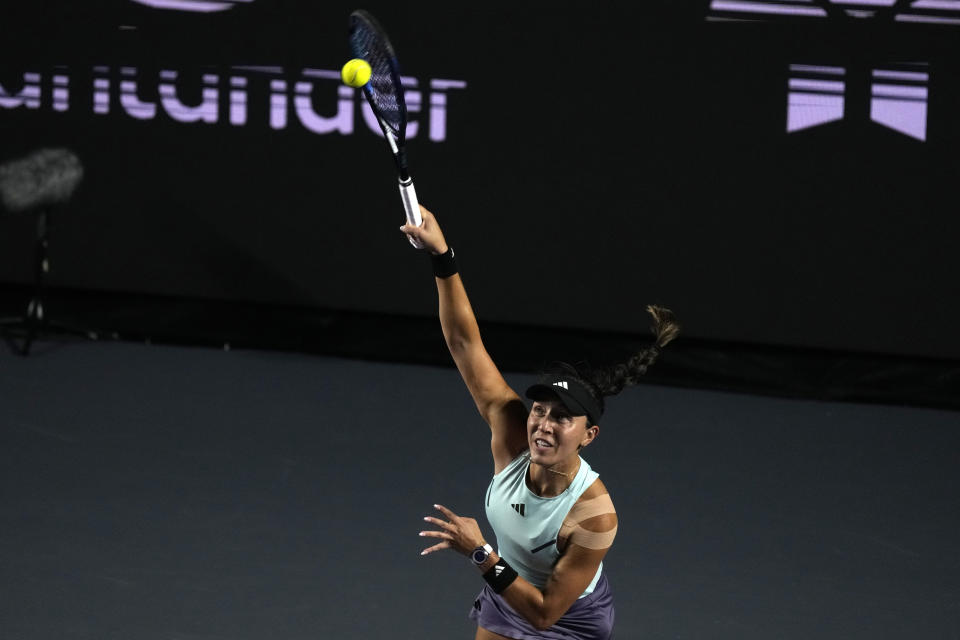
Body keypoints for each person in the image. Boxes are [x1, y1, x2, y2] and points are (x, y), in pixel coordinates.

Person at [403, 205, 678, 640]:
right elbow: (463, 343)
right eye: (540, 410)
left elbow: (546, 613)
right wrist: (442, 256)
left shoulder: (594, 516)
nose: (543, 425)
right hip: (505, 586)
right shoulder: (513, 435)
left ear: (589, 436)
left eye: (562, 418)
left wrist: (480, 553)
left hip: (567, 619)